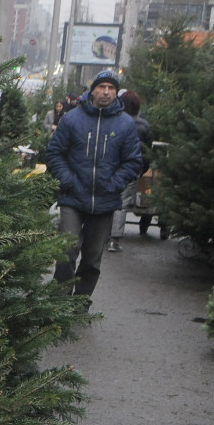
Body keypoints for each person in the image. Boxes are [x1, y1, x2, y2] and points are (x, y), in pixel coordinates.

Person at [44, 69, 142, 302]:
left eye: (111, 88)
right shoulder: (72, 119)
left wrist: (115, 183)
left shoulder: (126, 124)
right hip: (72, 197)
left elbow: (133, 161)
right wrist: (68, 180)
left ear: (116, 93)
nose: (106, 92)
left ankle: (80, 302)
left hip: (105, 200)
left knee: (92, 257)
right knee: (67, 250)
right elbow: (55, 153)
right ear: (93, 90)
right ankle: (60, 301)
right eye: (101, 87)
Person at [108, 90, 153, 251]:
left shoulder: (114, 121)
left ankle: (103, 235)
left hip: (112, 167)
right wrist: (143, 169)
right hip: (132, 169)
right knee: (123, 203)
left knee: (108, 199)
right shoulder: (144, 125)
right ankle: (115, 240)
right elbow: (147, 151)